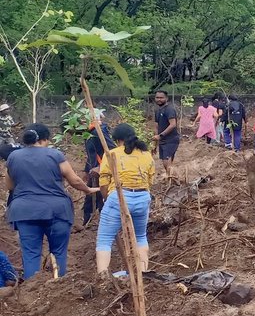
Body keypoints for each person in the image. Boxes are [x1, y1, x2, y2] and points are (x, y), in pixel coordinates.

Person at [6, 124, 98, 279]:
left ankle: (32, 293)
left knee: (31, 253)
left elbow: (9, 185)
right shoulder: (55, 155)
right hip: (56, 211)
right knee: (59, 251)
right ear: (45, 139)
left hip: (24, 211)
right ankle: (58, 286)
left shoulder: (13, 157)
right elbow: (74, 180)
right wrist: (88, 190)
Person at [95, 123, 155, 276]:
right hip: (143, 198)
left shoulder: (111, 153)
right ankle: (143, 273)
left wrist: (106, 198)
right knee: (140, 237)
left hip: (120, 197)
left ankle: (103, 278)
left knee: (104, 239)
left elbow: (103, 181)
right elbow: (150, 180)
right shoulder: (146, 154)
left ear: (117, 140)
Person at [82, 109, 114, 227]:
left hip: (102, 170)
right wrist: (87, 170)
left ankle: (105, 224)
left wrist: (101, 167)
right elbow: (92, 153)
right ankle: (87, 223)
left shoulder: (99, 131)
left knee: (102, 198)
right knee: (90, 198)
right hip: (94, 169)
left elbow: (111, 149)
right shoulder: (89, 132)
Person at [153, 90, 179, 176]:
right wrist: (155, 144)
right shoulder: (157, 111)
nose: (159, 99)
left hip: (171, 140)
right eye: (157, 97)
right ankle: (172, 179)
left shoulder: (169, 109)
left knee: (167, 163)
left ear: (166, 98)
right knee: (165, 163)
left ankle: (173, 180)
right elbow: (156, 127)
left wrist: (161, 135)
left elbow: (173, 124)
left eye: (161, 97)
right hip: (162, 140)